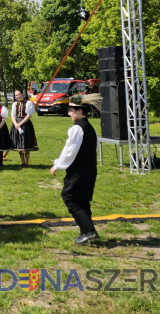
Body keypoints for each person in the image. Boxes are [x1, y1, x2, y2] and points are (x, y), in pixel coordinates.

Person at [50, 93, 103, 245]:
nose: (69, 113)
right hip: (89, 169)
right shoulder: (90, 128)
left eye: (71, 110)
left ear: (80, 111)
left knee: (70, 198)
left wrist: (57, 165)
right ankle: (86, 232)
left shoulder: (77, 129)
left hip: (78, 171)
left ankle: (89, 231)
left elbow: (69, 151)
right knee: (82, 200)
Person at [11, 89, 39, 168]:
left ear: (22, 94)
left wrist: (20, 123)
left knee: (26, 144)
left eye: (18, 94)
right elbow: (13, 116)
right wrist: (16, 124)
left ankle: (27, 163)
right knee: (19, 145)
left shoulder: (28, 103)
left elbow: (28, 115)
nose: (17, 96)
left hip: (25, 124)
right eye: (16, 95)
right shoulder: (15, 104)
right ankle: (22, 163)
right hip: (16, 124)